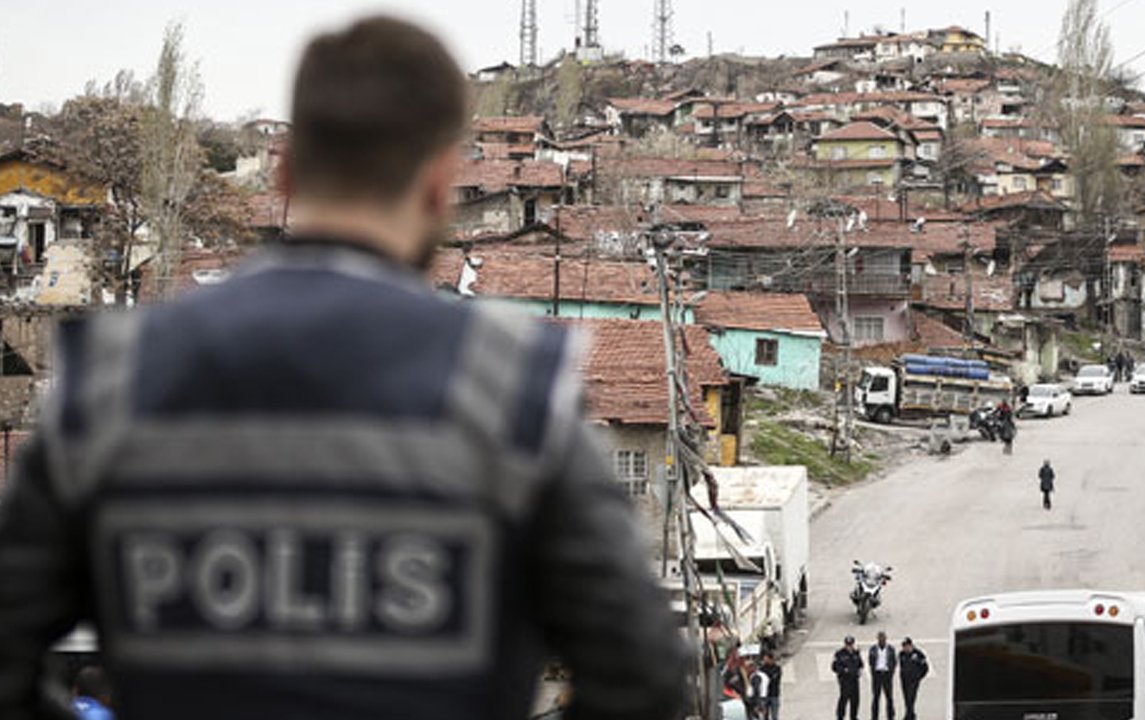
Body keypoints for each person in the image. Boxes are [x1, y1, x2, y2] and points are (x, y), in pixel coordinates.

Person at [0, 16, 687, 720]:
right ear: (441, 183)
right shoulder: (510, 389)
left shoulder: (118, 376)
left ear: (289, 169)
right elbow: (643, 676)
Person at [833, 636, 864, 720]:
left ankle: (853, 716)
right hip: (845, 680)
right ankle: (840, 716)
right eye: (848, 645)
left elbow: (861, 664)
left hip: (854, 680)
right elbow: (835, 667)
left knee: (855, 700)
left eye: (851, 645)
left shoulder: (856, 653)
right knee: (844, 699)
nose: (849, 646)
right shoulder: (839, 654)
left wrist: (860, 670)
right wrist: (844, 670)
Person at [868, 631, 897, 720]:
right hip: (877, 675)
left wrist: (891, 672)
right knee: (876, 697)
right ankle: (874, 717)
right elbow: (870, 661)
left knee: (889, 697)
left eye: (883, 639)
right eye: (880, 638)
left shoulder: (891, 649)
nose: (882, 640)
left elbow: (894, 662)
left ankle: (890, 716)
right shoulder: (873, 649)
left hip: (887, 674)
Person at [898, 639, 929, 720]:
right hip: (904, 680)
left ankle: (908, 716)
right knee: (906, 699)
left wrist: (918, 677)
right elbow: (901, 666)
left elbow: (925, 667)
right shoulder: (901, 654)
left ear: (910, 645)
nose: (905, 648)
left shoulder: (918, 654)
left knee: (911, 698)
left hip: (913, 681)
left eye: (906, 646)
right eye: (904, 646)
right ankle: (911, 715)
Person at [761, 651, 783, 720]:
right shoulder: (762, 669)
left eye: (766, 659)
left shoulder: (777, 668)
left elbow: (774, 679)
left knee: (774, 716)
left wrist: (767, 678)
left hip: (774, 694)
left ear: (771, 659)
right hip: (765, 695)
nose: (765, 661)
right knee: (765, 716)